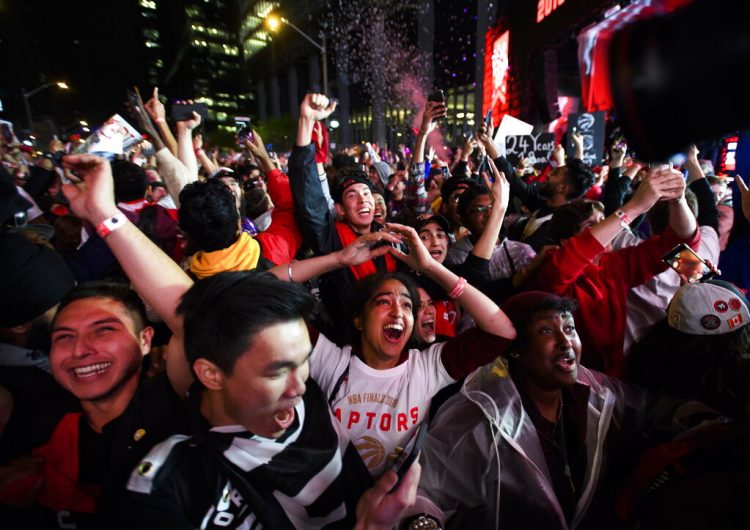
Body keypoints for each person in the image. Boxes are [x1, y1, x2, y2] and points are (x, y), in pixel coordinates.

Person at [50, 153, 421, 529]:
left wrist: (339, 259)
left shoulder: (304, 399)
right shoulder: (164, 484)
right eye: (276, 371)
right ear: (210, 373)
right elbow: (187, 306)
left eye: (302, 362)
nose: (300, 386)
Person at [405, 291, 714, 530]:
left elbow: (652, 409)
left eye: (569, 328)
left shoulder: (596, 391)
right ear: (515, 348)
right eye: (546, 332)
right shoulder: (476, 416)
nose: (566, 341)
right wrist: (425, 522)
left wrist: (709, 422)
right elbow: (428, 492)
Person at [527, 166, 700, 376]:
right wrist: (634, 207)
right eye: (592, 226)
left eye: (604, 221)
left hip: (618, 375)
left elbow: (678, 245)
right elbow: (571, 259)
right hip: (572, 377)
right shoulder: (554, 265)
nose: (610, 228)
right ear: (566, 241)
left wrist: (678, 200)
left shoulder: (614, 263)